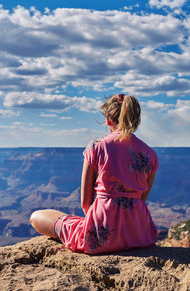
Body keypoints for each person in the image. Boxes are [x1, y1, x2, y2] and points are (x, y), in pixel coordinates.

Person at [30, 94, 159, 254]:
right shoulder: (150, 154)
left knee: (36, 216)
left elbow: (85, 202)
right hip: (139, 234)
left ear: (108, 120)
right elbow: (141, 199)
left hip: (101, 235)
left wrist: (97, 227)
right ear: (136, 120)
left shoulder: (96, 147)